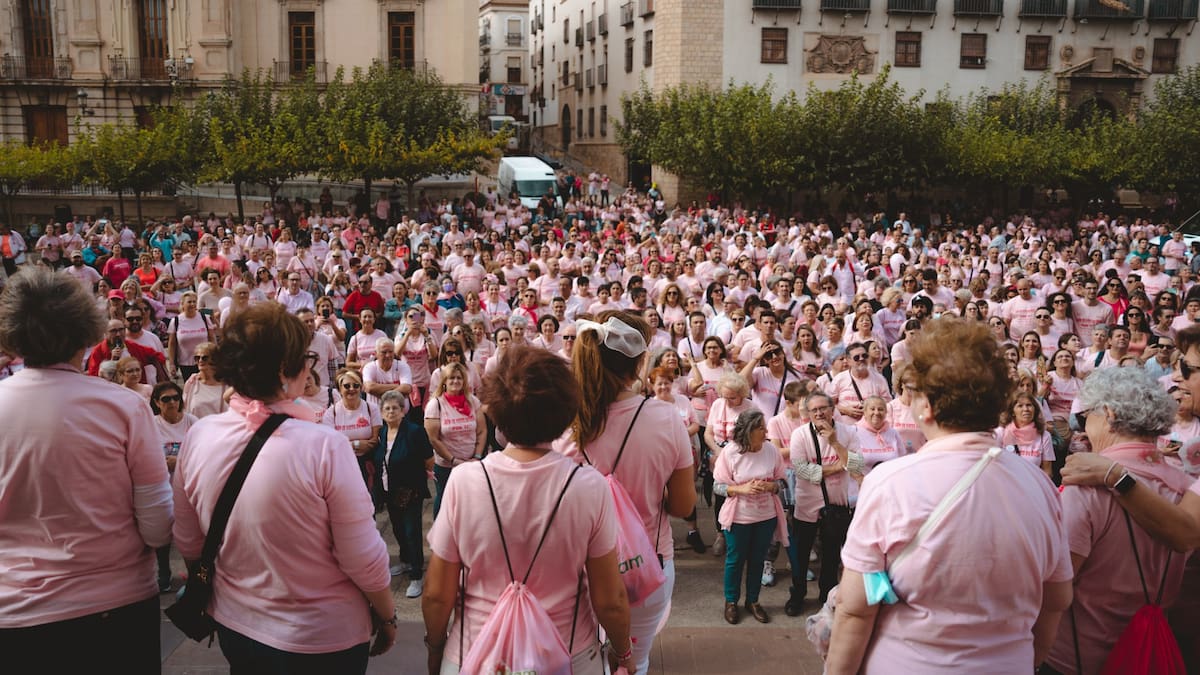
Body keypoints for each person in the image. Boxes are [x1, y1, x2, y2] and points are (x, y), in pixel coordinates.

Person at [825, 318, 1073, 674]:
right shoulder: (1040, 487)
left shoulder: (890, 483)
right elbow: (1056, 601)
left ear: (927, 407)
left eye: (914, 392)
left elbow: (855, 608)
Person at [172, 303, 395, 672]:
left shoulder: (199, 435)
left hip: (238, 626)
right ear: (283, 371)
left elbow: (189, 541)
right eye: (305, 358)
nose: (310, 366)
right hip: (321, 637)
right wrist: (387, 617)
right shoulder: (325, 445)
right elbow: (362, 558)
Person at [422, 346, 634, 675]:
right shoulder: (588, 486)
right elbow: (609, 599)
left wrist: (436, 649)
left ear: (494, 411)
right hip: (569, 655)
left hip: (474, 654)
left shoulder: (465, 481)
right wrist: (624, 651)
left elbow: (437, 594)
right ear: (566, 411)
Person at [0, 268, 172, 672]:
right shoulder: (122, 407)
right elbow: (158, 527)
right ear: (85, 330)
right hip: (115, 606)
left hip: (15, 611)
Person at [556, 311, 696, 674]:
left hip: (581, 572)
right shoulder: (667, 419)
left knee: (586, 657)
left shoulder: (567, 427)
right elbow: (683, 505)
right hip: (647, 567)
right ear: (638, 365)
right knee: (635, 660)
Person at [1044, 367, 1191, 674]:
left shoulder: (1087, 486)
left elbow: (1056, 586)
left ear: (1109, 414)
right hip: (1152, 654)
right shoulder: (1185, 488)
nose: (1083, 429)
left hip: (1076, 658)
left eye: (1086, 417)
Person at [787, 389, 863, 613]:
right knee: (801, 554)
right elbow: (801, 470)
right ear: (807, 414)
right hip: (807, 504)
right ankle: (797, 595)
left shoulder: (848, 432)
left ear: (832, 410)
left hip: (837, 503)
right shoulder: (799, 435)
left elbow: (857, 466)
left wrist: (835, 443)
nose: (819, 413)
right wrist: (839, 466)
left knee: (831, 556)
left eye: (823, 408)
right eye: (814, 410)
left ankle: (826, 596)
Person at [713, 408, 788, 625]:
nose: (766, 430)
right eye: (761, 427)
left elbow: (783, 482)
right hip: (739, 517)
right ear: (748, 430)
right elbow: (718, 486)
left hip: (766, 516)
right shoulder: (731, 452)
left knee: (758, 560)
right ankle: (731, 602)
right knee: (735, 561)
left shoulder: (771, 451)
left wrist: (772, 485)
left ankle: (753, 601)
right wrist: (741, 490)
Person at [377, 389, 434, 594]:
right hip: (389, 488)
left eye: (395, 408)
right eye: (387, 408)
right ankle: (405, 561)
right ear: (382, 413)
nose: (391, 412)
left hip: (411, 489)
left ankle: (416, 574)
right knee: (398, 528)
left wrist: (419, 477)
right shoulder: (383, 432)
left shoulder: (414, 431)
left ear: (403, 411)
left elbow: (429, 459)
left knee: (412, 531)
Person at [425, 361, 487, 519]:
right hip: (446, 465)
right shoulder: (435, 405)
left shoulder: (473, 401)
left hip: (472, 463)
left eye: (459, 378)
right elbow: (434, 439)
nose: (455, 381)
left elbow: (482, 431)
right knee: (445, 504)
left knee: (470, 504)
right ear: (444, 382)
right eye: (451, 378)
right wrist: (453, 460)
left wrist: (477, 457)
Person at [151, 380, 196, 593]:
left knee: (193, 536)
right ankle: (163, 573)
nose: (171, 402)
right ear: (157, 403)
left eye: (175, 398)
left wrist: (178, 462)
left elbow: (203, 453)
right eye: (166, 399)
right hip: (162, 488)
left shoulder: (192, 422)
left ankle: (197, 575)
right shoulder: (151, 424)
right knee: (162, 533)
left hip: (189, 488)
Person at [322, 369, 384, 501]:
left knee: (368, 502)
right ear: (339, 389)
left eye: (356, 385)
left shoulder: (371, 408)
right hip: (342, 465)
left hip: (367, 464)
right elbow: (331, 445)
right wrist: (356, 444)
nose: (352, 389)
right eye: (347, 386)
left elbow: (375, 439)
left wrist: (348, 445)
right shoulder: (331, 413)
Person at [997, 391, 1055, 478]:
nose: (1026, 409)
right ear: (1012, 411)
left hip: (1033, 484)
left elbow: (1047, 471)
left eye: (1029, 405)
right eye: (1020, 406)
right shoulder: (1001, 433)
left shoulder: (1044, 436)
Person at [182, 342, 229, 418]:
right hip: (196, 427)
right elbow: (184, 408)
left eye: (204, 358)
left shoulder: (226, 385)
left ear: (215, 360)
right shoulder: (192, 382)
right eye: (197, 358)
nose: (200, 360)